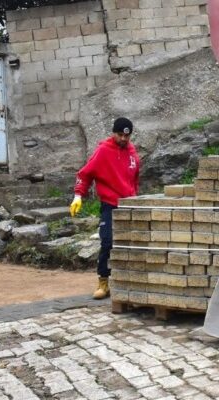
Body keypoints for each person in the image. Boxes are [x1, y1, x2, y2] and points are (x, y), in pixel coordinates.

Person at [70, 117, 140, 299]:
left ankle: (129, 282)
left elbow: (135, 179)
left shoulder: (132, 152)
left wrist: (135, 197)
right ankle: (103, 282)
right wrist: (78, 195)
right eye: (120, 135)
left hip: (129, 204)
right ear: (113, 133)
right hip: (110, 204)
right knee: (107, 242)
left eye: (127, 136)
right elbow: (84, 174)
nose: (124, 139)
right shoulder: (103, 151)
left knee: (131, 243)